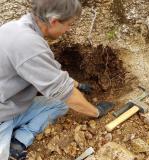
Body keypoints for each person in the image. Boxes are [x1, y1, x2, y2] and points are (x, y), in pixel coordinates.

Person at [0, 0, 114, 159]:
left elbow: (49, 72)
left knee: (58, 105)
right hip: (2, 116)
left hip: (13, 104)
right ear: (53, 21)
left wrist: (78, 85)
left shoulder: (15, 28)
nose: (68, 30)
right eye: (69, 24)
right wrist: (96, 112)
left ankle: (19, 141)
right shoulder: (29, 45)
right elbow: (65, 93)